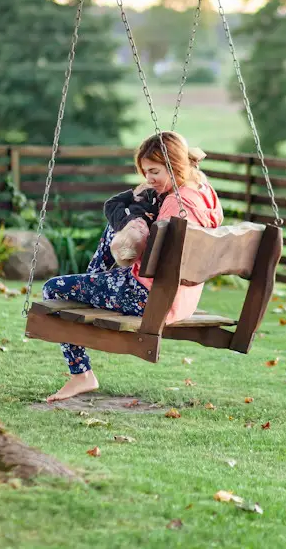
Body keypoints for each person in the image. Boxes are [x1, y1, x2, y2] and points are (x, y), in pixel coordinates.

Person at [42, 131, 224, 402]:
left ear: (174, 166)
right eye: (144, 172)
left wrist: (135, 223)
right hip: (180, 298)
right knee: (118, 226)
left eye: (154, 171)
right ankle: (94, 280)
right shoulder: (203, 193)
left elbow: (154, 256)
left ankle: (81, 374)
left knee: (53, 288)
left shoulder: (177, 203)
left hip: (148, 298)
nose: (148, 179)